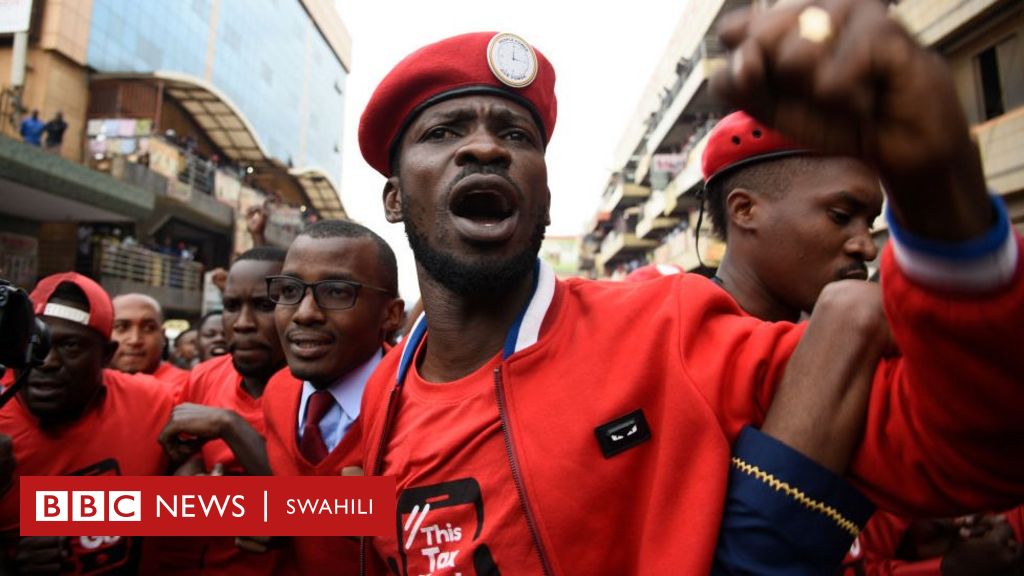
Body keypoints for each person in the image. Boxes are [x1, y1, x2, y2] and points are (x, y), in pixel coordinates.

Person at [353, 5, 1024, 572]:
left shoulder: (671, 328)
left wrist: (942, 199)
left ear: (545, 195)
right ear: (392, 197)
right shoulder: (383, 392)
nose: (487, 149)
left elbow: (969, 452)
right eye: (444, 132)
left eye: (516, 134)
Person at [0, 273, 176, 574]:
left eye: (70, 346)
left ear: (107, 355)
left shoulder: (152, 401)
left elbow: (265, 510)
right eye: (35, 342)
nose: (47, 361)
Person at [259, 219, 403, 573]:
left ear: (391, 315)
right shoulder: (277, 392)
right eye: (290, 290)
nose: (305, 313)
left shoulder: (416, 407)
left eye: (336, 291)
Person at [147, 247, 290, 575]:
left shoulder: (325, 390)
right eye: (230, 306)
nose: (242, 323)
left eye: (264, 306)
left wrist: (230, 426)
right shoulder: (205, 377)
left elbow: (345, 512)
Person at [110, 293, 190, 387]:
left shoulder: (188, 388)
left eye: (148, 328)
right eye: (121, 327)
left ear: (163, 336)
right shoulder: (90, 386)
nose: (134, 340)